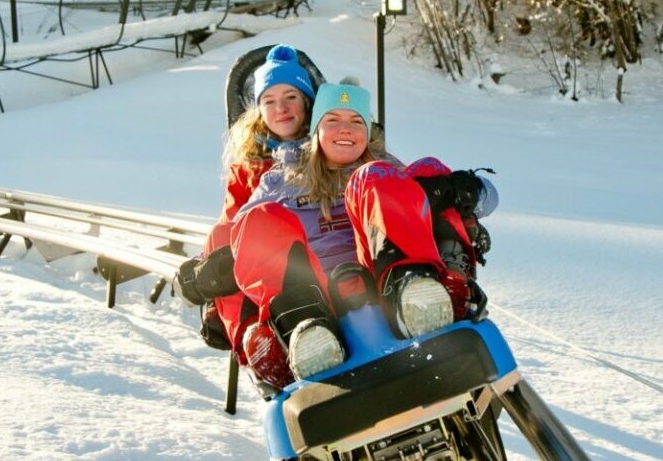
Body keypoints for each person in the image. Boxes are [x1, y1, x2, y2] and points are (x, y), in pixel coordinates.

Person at [216, 78, 497, 391]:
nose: (345, 129)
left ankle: (418, 294)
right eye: (332, 120)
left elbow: (487, 199)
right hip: (316, 293)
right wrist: (210, 268)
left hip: (381, 283)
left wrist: (462, 190)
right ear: (315, 130)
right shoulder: (280, 180)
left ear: (368, 130)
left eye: (355, 121)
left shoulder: (383, 168)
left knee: (388, 175)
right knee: (258, 218)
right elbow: (240, 233)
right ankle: (304, 332)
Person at [176, 44, 316, 357]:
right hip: (264, 268)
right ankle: (256, 344)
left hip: (315, 253)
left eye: (291, 97)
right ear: (259, 111)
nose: (281, 108)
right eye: (269, 101)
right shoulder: (249, 166)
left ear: (307, 102)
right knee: (222, 239)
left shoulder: (328, 146)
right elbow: (230, 222)